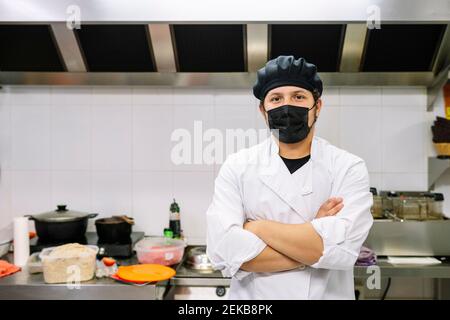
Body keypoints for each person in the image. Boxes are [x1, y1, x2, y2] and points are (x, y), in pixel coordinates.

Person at [206, 55, 374, 299]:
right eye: (276, 99)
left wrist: (257, 227)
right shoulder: (237, 167)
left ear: (318, 106)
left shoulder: (348, 167)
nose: (287, 106)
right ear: (263, 111)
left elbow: (343, 251)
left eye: (298, 96)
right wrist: (313, 240)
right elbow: (226, 252)